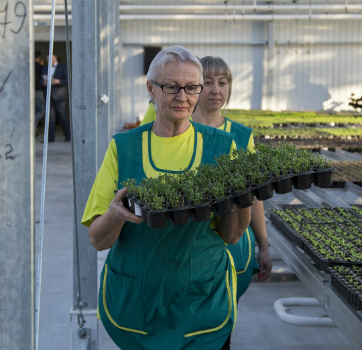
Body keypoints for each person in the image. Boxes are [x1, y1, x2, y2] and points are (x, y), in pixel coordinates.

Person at [82, 46, 251, 350]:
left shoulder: (224, 147)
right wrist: (115, 214)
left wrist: (243, 198)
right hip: (138, 303)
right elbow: (98, 240)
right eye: (171, 86)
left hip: (200, 302)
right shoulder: (124, 147)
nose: (182, 97)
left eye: (191, 87)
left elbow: (233, 234)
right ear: (151, 89)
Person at [192, 56, 273, 350]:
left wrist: (263, 246)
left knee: (221, 324)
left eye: (222, 83)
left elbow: (254, 198)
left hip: (233, 246)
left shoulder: (241, 136)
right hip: (190, 244)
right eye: (208, 83)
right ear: (194, 88)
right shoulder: (179, 130)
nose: (216, 90)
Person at [42, 53, 71, 142]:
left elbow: (68, 79)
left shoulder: (63, 67)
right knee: (50, 117)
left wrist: (59, 81)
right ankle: (50, 137)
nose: (49, 60)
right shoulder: (45, 68)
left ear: (55, 58)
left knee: (62, 116)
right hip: (48, 95)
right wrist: (44, 82)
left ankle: (68, 135)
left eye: (51, 58)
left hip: (59, 95)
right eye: (47, 58)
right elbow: (41, 80)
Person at [34, 51, 45, 127]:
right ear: (39, 58)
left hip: (29, 91)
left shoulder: (28, 66)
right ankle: (31, 126)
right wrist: (42, 65)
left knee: (32, 111)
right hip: (38, 91)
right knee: (41, 110)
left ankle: (34, 130)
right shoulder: (40, 67)